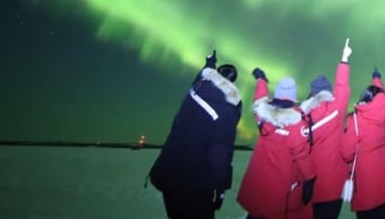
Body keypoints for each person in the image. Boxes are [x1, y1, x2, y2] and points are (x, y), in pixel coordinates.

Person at [149, 50, 242, 219]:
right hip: (194, 185)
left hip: (168, 173)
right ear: (233, 82)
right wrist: (221, 188)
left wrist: (210, 63)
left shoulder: (196, 89)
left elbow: (202, 76)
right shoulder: (227, 110)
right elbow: (220, 154)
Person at [236, 68, 316, 219]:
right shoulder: (297, 124)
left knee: (257, 209)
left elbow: (259, 98)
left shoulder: (262, 114)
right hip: (281, 182)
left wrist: (261, 81)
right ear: (293, 95)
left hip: (259, 178)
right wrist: (310, 179)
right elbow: (302, 156)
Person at [299, 39, 353, 219]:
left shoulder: (301, 115)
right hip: (332, 182)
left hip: (307, 181)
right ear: (328, 93)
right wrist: (344, 60)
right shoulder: (335, 111)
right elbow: (342, 88)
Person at [340, 68, 385, 219]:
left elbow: (347, 153)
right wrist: (377, 79)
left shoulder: (357, 121)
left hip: (366, 183)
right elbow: (381, 97)